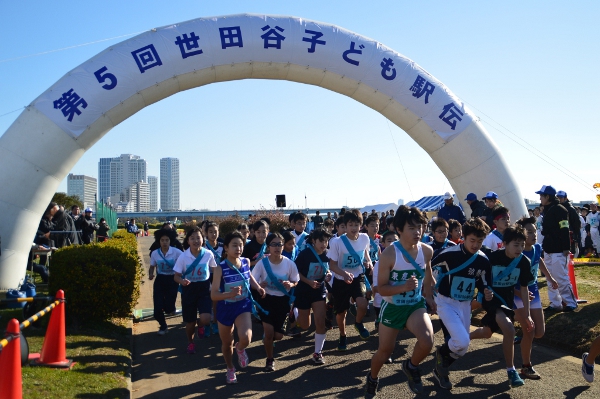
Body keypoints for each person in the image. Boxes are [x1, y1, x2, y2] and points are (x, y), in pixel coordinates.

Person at [365, 206, 435, 396]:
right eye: (412, 228)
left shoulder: (427, 251)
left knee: (427, 341)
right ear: (399, 230)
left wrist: (429, 295)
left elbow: (427, 275)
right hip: (393, 307)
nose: (418, 232)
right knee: (385, 351)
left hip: (415, 305)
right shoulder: (389, 255)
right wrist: (403, 287)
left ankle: (411, 366)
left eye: (420, 227)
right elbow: (381, 288)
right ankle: (372, 378)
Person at [430, 217, 493, 390]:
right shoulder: (449, 253)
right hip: (445, 301)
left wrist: (486, 291)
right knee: (462, 341)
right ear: (463, 237)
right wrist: (428, 291)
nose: (475, 245)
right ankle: (442, 357)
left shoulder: (483, 260)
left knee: (462, 348)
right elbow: (428, 268)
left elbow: (484, 281)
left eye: (479, 241)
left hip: (465, 304)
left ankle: (440, 366)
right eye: (472, 240)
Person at [470, 225, 535, 388]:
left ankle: (463, 337)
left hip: (507, 302)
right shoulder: (492, 258)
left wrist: (527, 315)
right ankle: (511, 371)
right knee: (509, 329)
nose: (519, 248)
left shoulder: (524, 262)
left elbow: (524, 288)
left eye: (522, 244)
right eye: (516, 244)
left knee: (487, 333)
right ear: (505, 243)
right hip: (490, 299)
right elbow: (479, 276)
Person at [211, 231, 266, 384]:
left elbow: (249, 277)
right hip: (225, 308)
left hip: (242, 305)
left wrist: (258, 287)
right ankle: (230, 368)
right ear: (226, 249)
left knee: (246, 338)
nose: (238, 248)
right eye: (234, 245)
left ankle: (240, 349)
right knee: (227, 343)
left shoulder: (246, 262)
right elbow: (214, 295)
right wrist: (229, 294)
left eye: (241, 245)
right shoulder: (219, 269)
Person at [514, 217, 558, 379]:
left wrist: (550, 278)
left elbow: (538, 260)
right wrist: (519, 293)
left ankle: (518, 329)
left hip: (533, 291)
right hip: (518, 294)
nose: (534, 235)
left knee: (539, 332)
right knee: (531, 332)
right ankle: (526, 367)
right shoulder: (516, 253)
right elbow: (508, 280)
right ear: (521, 234)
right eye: (530, 232)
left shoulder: (537, 247)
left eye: (535, 231)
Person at [252, 232, 299, 371]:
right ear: (268, 247)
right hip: (266, 300)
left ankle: (268, 339)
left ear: (283, 246)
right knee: (269, 332)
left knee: (278, 336)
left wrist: (290, 285)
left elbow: (296, 280)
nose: (277, 247)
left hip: (283, 301)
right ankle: (269, 359)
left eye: (279, 244)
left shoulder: (289, 263)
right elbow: (253, 280)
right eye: (273, 244)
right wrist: (260, 285)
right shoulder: (262, 263)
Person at [328, 209, 373, 349]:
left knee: (363, 304)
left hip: (358, 276)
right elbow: (332, 265)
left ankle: (358, 323)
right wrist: (344, 274)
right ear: (345, 226)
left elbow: (366, 252)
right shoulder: (337, 242)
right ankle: (342, 335)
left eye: (356, 224)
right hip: (340, 280)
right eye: (350, 225)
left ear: (361, 225)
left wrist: (369, 262)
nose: (354, 228)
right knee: (341, 313)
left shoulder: (365, 238)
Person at [173, 228, 217, 354]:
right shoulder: (183, 256)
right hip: (189, 290)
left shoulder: (208, 254)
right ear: (188, 241)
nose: (196, 241)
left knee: (206, 318)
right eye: (192, 238)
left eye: (198, 237)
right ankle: (190, 343)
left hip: (204, 288)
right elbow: (176, 276)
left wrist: (216, 285)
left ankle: (201, 325)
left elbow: (214, 270)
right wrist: (182, 282)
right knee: (190, 322)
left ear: (203, 239)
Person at [536, 185, 577, 312]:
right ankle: (555, 303)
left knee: (561, 277)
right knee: (549, 278)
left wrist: (566, 247)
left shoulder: (560, 210)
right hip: (549, 248)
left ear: (547, 196)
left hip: (559, 249)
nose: (540, 198)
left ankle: (570, 302)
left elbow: (564, 229)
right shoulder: (547, 209)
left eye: (541, 196)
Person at [294, 228, 333, 364]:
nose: (324, 244)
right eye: (321, 241)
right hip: (303, 290)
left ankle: (317, 353)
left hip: (319, 290)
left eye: (326, 241)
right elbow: (296, 273)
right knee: (305, 325)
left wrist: (328, 275)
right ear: (313, 241)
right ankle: (296, 312)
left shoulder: (328, 254)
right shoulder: (304, 255)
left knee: (320, 321)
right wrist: (309, 281)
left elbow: (328, 269)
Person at [149, 229, 183, 335]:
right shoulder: (155, 253)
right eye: (162, 240)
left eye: (167, 240)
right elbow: (152, 266)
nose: (164, 242)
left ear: (170, 241)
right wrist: (150, 274)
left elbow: (185, 261)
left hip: (173, 280)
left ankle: (169, 308)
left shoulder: (177, 252)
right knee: (157, 307)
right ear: (159, 241)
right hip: (160, 280)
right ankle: (163, 326)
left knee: (169, 308)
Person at [371, 230, 399, 332]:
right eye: (389, 240)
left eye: (395, 240)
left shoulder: (402, 259)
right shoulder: (380, 262)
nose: (392, 243)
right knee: (383, 326)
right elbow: (376, 286)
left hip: (396, 299)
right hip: (381, 300)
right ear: (383, 244)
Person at [557, 191, 582, 255]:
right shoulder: (557, 207)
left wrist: (576, 237)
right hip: (559, 234)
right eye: (558, 197)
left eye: (561, 197)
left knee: (569, 255)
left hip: (570, 234)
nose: (559, 199)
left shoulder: (570, 209)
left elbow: (576, 224)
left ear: (565, 198)